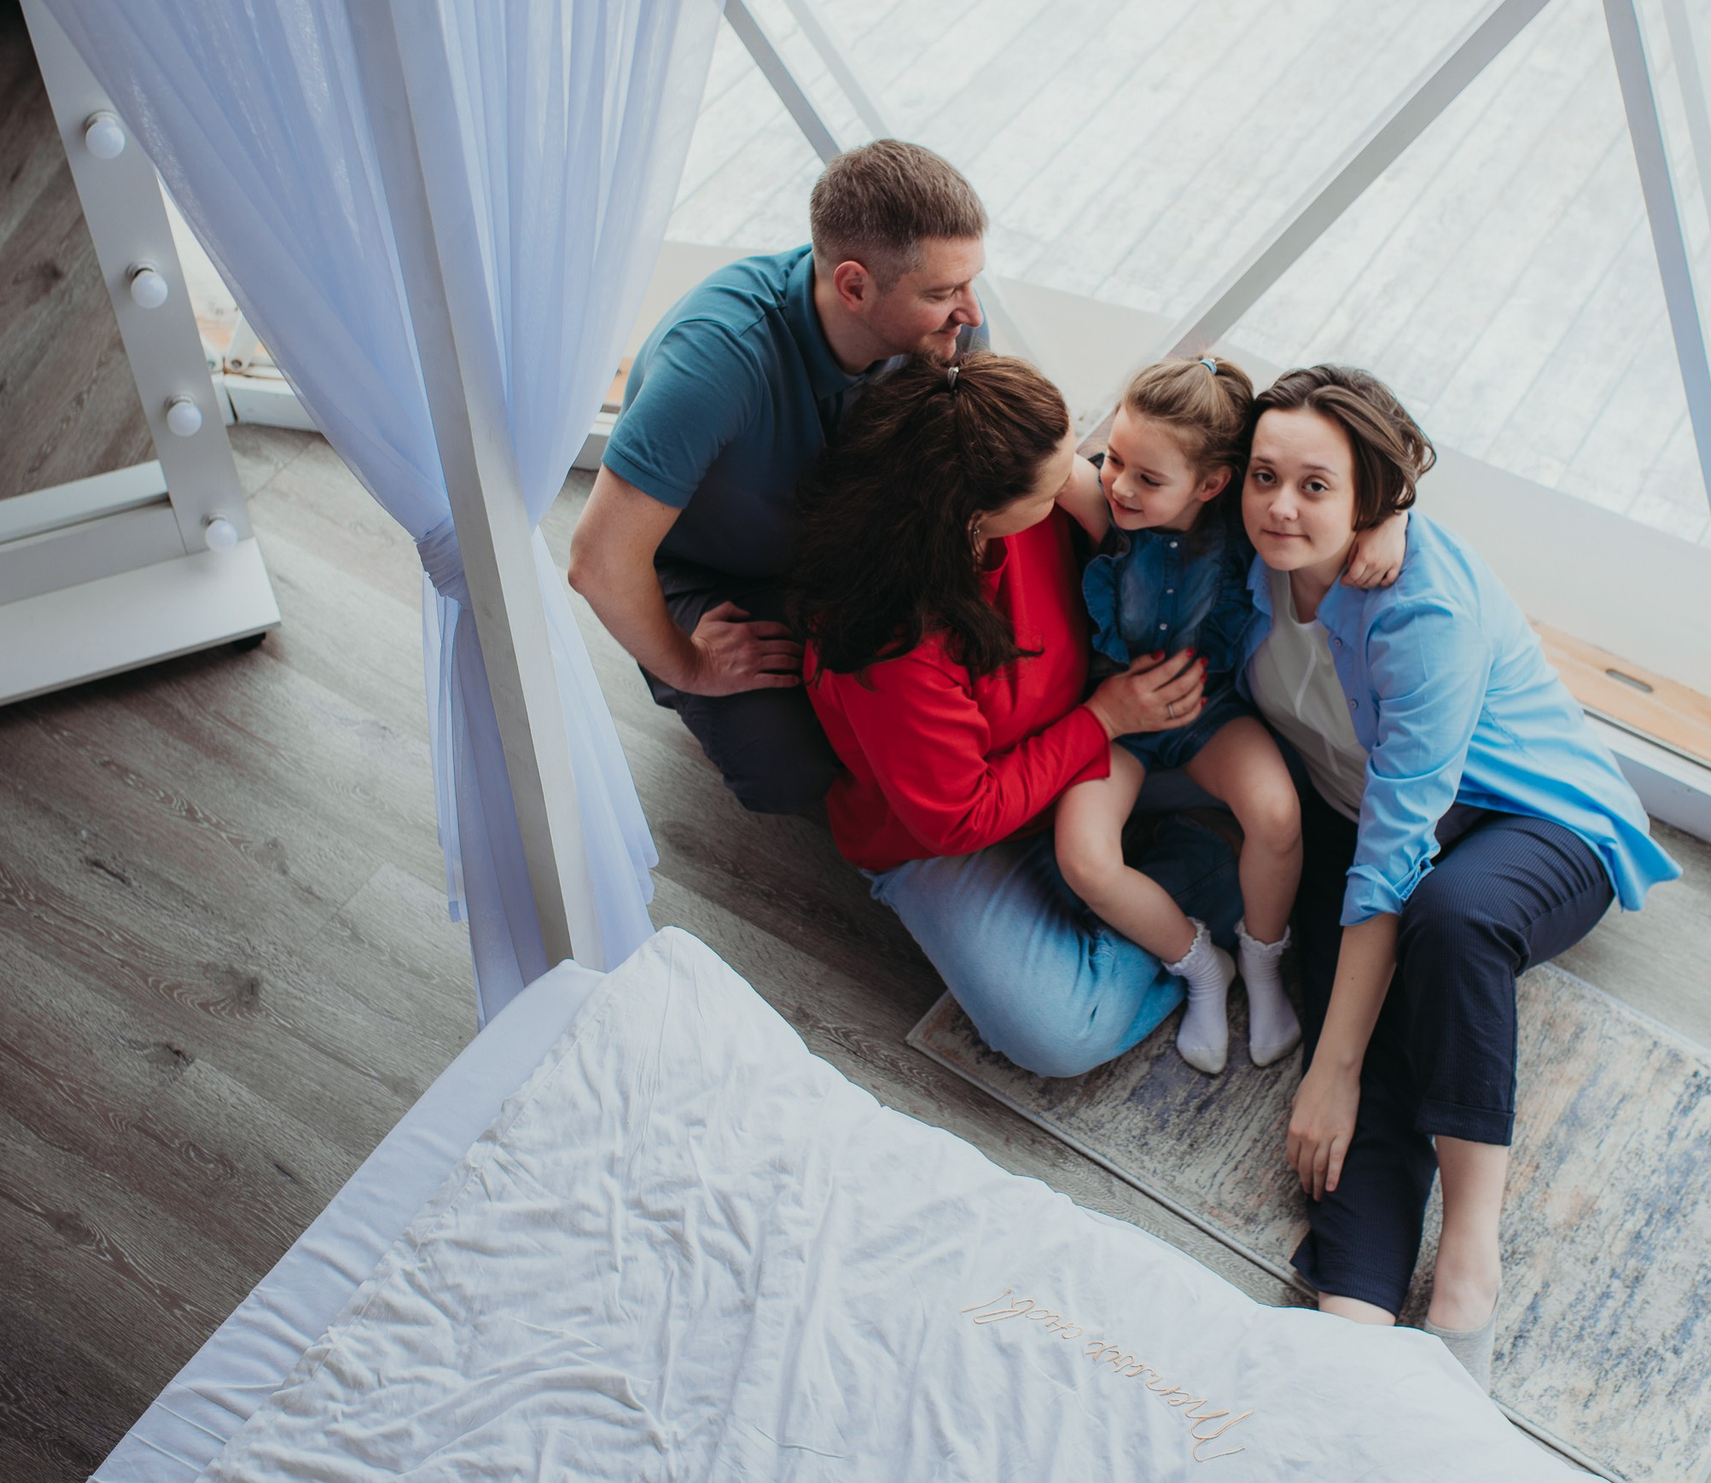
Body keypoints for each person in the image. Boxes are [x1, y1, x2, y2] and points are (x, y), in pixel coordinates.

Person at [1237, 364, 1680, 1389]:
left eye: (1316, 486)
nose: (1279, 505)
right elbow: (1124, 465)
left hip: (1536, 814)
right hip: (1367, 813)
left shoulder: (1420, 612)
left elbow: (1397, 855)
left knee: (1444, 924)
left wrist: (1331, 1065)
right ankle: (1350, 1309)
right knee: (1364, 1008)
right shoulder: (1247, 538)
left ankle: (1470, 1255)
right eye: (1264, 476)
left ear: (1373, 495)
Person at [795, 353, 1244, 1078]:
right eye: (1063, 475)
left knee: (1269, 781)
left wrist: (1378, 529)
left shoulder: (1020, 474)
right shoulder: (891, 636)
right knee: (1059, 1036)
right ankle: (1188, 904)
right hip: (950, 837)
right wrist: (1104, 718)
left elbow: (1215, 477)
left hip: (1077, 760)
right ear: (981, 518)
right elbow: (958, 817)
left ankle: (1142, 886)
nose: (1093, 478)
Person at [565, 140, 989, 817]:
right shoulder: (718, 357)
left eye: (970, 283)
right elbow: (598, 560)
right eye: (942, 293)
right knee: (791, 771)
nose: (970, 312)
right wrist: (691, 662)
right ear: (854, 286)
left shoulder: (946, 332)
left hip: (845, 552)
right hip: (715, 575)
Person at [1050, 357, 1407, 1075]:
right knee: (1085, 856)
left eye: (1147, 478)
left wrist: (1393, 517)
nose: (1119, 483)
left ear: (1212, 481)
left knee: (1277, 812)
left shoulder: (1249, 526)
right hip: (1118, 718)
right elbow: (1038, 447)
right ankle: (1200, 965)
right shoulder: (1106, 508)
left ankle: (1262, 961)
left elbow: (1333, 475)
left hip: (1212, 712)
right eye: (1115, 458)